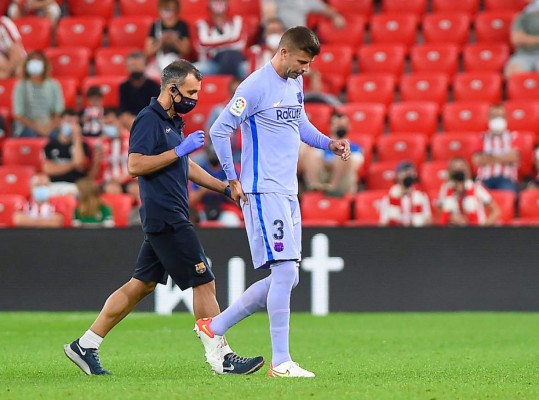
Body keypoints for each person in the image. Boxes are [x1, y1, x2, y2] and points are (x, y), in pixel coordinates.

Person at [63, 60, 264, 376]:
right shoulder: (148, 120)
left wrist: (225, 188)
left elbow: (185, 166)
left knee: (140, 285)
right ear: (172, 89)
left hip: (166, 215)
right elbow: (135, 165)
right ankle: (221, 357)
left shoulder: (172, 121)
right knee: (204, 280)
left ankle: (85, 344)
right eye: (190, 91)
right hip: (167, 215)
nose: (194, 98)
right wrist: (179, 150)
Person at [198, 26, 351, 378]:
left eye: (309, 64)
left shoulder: (293, 84)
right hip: (262, 189)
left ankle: (215, 326)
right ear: (283, 52)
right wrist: (231, 178)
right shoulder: (254, 86)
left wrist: (329, 143)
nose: (305, 70)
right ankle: (281, 362)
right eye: (301, 61)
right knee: (284, 271)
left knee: (288, 276)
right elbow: (220, 130)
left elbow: (301, 125)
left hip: (287, 191)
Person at [301, 111, 363, 196]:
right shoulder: (322, 146)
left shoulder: (355, 148)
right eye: (337, 124)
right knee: (309, 153)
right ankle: (315, 186)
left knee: (343, 155)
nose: (340, 127)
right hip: (323, 176)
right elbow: (311, 161)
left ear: (349, 127)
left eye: (343, 124)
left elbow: (354, 166)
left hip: (342, 180)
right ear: (330, 127)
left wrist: (329, 163)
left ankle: (333, 187)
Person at [42, 109, 98, 196]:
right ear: (60, 122)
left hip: (75, 185)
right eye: (68, 121)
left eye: (74, 123)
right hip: (53, 184)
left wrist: (77, 138)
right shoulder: (50, 145)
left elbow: (80, 164)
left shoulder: (83, 145)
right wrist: (72, 164)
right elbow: (48, 169)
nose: (71, 126)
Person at [12, 50, 64, 137]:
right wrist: (38, 128)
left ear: (44, 64)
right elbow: (19, 114)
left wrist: (48, 128)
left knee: (56, 138)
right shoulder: (20, 86)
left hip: (49, 126)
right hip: (27, 128)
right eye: (32, 60)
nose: (35, 63)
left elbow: (59, 111)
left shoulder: (54, 85)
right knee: (31, 135)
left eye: (38, 60)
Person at [189, 144, 242, 226]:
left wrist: (222, 190)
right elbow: (191, 201)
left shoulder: (231, 171)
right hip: (204, 208)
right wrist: (206, 189)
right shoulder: (200, 169)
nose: (214, 156)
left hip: (225, 208)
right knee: (191, 221)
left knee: (232, 221)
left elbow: (240, 200)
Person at [439, 157, 501, 226]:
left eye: (461, 168)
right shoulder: (445, 189)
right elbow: (441, 211)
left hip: (476, 230)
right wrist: (452, 218)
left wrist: (483, 227)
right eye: (455, 168)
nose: (458, 170)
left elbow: (496, 211)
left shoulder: (476, 188)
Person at [472, 104, 520, 193]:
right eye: (494, 116)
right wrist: (504, 157)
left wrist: (488, 157)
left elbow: (513, 157)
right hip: (484, 179)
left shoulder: (513, 136)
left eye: (500, 116)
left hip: (506, 178)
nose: (497, 119)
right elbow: (477, 159)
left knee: (507, 197)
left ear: (506, 118)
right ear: (488, 118)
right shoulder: (482, 137)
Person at [194, 0, 248, 78]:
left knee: (247, 68)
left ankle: (226, 84)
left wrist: (213, 43)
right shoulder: (202, 24)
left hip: (237, 60)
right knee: (191, 72)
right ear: (209, 4)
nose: (218, 3)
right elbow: (201, 45)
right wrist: (229, 40)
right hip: (212, 62)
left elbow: (239, 42)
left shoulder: (237, 20)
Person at [145, 0, 191, 81]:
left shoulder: (182, 25)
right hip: (158, 61)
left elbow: (186, 51)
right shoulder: (155, 26)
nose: (168, 13)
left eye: (171, 10)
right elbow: (148, 51)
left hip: (178, 61)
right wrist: (161, 42)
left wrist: (175, 41)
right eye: (165, 10)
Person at [379, 161, 432, 227]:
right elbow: (384, 223)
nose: (408, 174)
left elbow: (428, 220)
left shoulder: (422, 197)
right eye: (405, 171)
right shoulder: (388, 198)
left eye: (411, 171)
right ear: (397, 175)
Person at [119, 51, 161, 131]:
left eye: (138, 65)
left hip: (149, 120)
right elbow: (124, 111)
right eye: (132, 66)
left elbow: (156, 111)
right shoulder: (124, 87)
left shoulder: (154, 86)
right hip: (130, 122)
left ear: (145, 66)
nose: (135, 68)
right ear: (127, 67)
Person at [505, 0, 539, 77]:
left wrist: (527, 39)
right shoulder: (523, 16)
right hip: (523, 55)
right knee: (512, 73)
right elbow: (517, 39)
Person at [263, 0, 345, 30]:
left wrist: (336, 16)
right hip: (277, 31)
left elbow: (324, 9)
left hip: (298, 35)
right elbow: (269, 13)